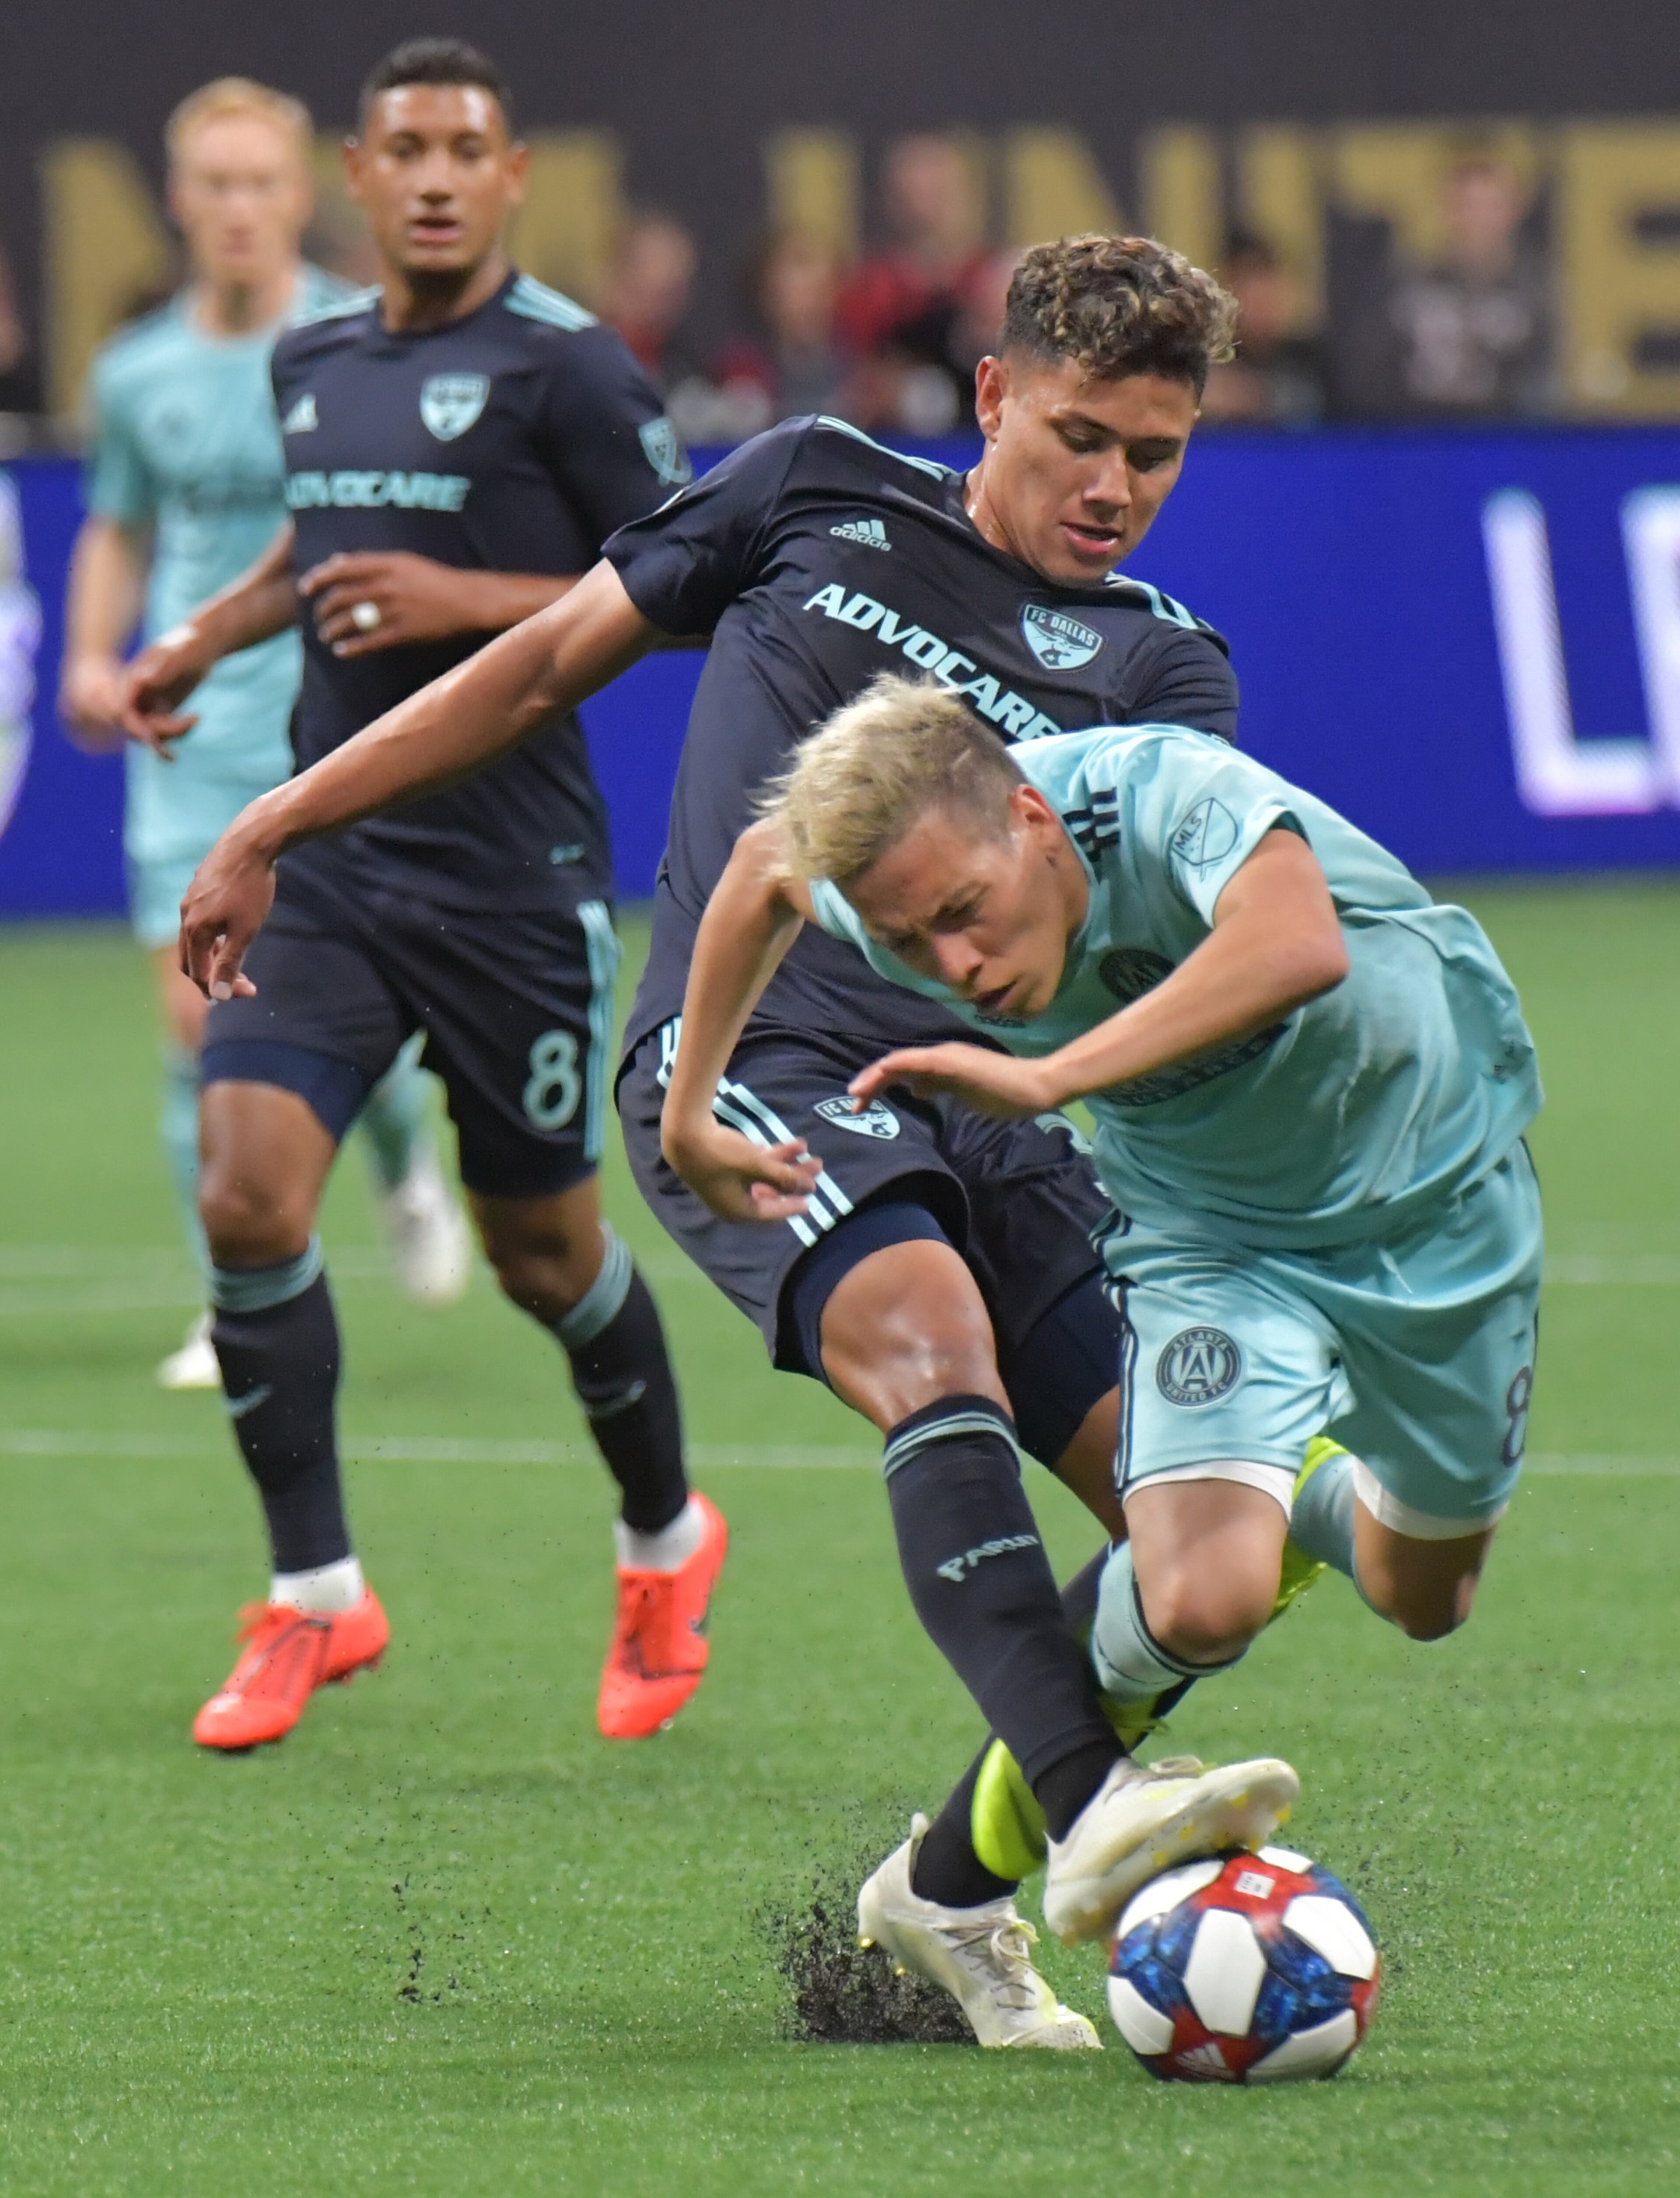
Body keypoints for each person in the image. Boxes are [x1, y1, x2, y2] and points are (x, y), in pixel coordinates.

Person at [166, 234, 1304, 2037]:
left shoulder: (1169, 674)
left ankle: (947, 1892)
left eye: (1155, 455)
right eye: (1081, 434)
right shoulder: (810, 491)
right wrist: (275, 823)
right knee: (934, 1351)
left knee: (1201, 1568)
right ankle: (1096, 1806)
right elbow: (539, 664)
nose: (1113, 488)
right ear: (993, 394)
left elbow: (1115, 959)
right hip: (752, 1056)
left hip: (998, 1108)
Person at [679, 672, 1541, 2035]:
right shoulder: (896, 877)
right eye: (911, 945)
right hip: (1208, 1242)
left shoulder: (1162, 799)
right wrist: (685, 1118)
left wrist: (1045, 1078)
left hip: (1435, 1214)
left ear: (1032, 819)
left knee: (1418, 1592)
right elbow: (755, 871)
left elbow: (1295, 946)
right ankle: (1006, 1852)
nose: (953, 967)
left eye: (963, 916)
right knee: (1203, 1604)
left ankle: (1328, 1488)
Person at [119, 38, 716, 1751]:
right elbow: (317, 546)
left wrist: (462, 587)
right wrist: (204, 636)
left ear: (512, 173)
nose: (439, 173)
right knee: (245, 1196)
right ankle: (317, 1592)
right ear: (357, 181)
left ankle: (666, 1538)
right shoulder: (312, 356)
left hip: (510, 882)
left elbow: (677, 585)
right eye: (408, 148)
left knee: (545, 1250)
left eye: (469, 146)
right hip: (336, 862)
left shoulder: (572, 371)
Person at [59, 76, 471, 1391]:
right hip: (190, 740)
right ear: (179, 202)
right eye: (214, 185)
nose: (238, 209)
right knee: (201, 1028)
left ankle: (406, 1159)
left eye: (261, 184)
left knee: (353, 1010)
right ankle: (233, 1303)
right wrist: (87, 653)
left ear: (303, 195)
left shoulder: (363, 343)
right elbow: (122, 524)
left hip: (333, 724)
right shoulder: (138, 373)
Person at [1198, 231, 1326, 427]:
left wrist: (1254, 398)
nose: (1261, 299)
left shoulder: (1312, 361)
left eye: (1268, 285)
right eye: (1248, 286)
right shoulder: (1204, 363)